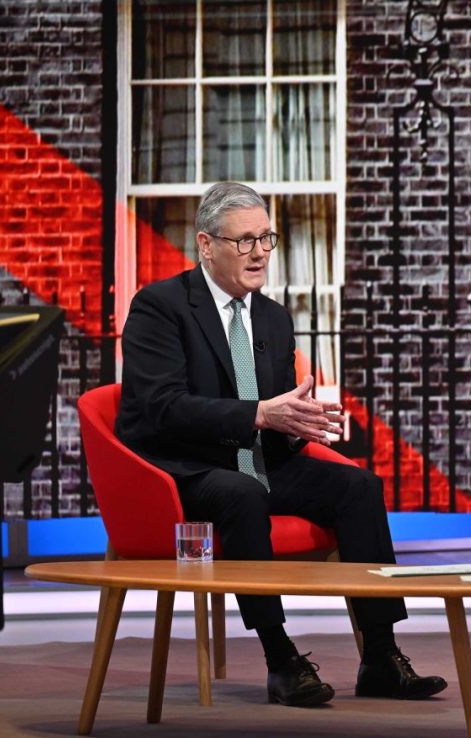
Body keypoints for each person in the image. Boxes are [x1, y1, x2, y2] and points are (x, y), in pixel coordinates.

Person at [116, 182, 447, 707]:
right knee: (240, 493)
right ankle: (280, 657)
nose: (260, 253)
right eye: (244, 241)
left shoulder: (271, 315)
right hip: (186, 470)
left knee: (358, 486)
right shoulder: (161, 307)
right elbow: (162, 408)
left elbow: (272, 406)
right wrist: (259, 414)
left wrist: (298, 421)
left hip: (260, 459)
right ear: (206, 244)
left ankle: (381, 655)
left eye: (267, 239)